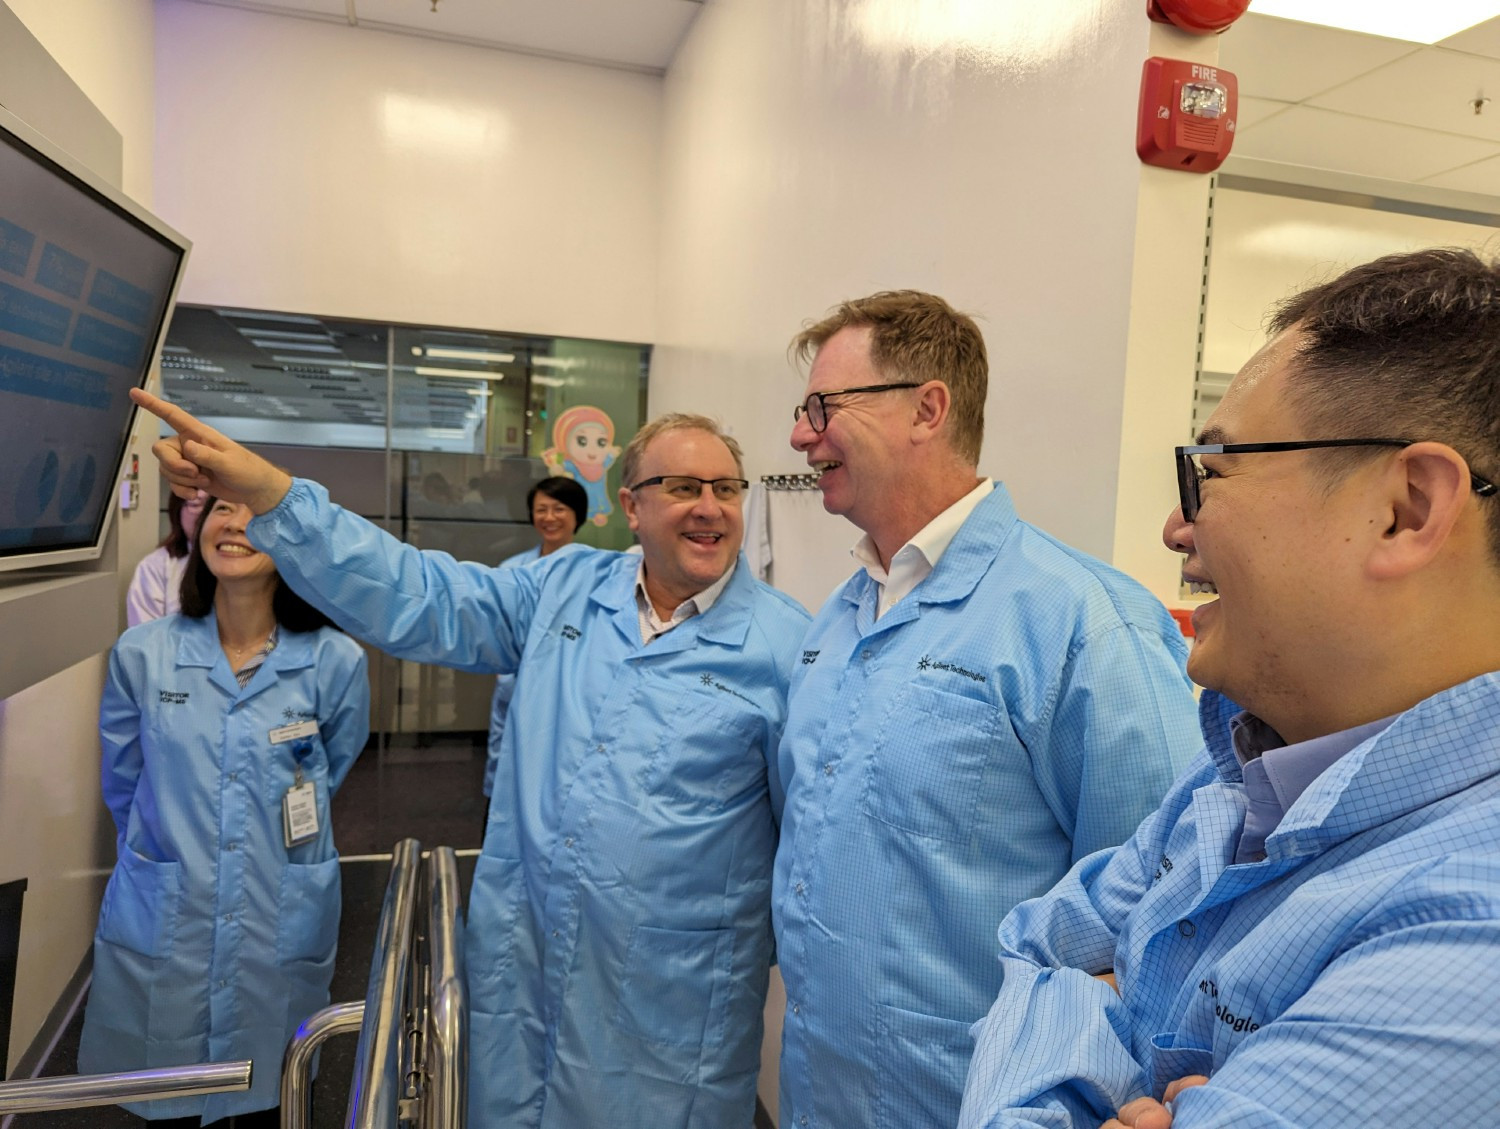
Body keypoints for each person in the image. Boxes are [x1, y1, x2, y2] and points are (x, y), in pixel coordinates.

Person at [129, 393, 812, 1129]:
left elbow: (809, 846)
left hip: (669, 1004)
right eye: (682, 487)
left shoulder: (786, 648)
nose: (709, 507)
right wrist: (275, 498)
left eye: (726, 488)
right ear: (631, 506)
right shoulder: (562, 589)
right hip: (523, 965)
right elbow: (418, 592)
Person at [957, 246, 1500, 1129]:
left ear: (1406, 508)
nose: (1178, 525)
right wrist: (1077, 993)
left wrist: (1093, 1000)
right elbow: (1041, 942)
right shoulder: (1236, 775)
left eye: (1212, 469)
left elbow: (1063, 964)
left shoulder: (1471, 933)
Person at [775, 290, 1203, 1128]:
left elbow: (1158, 917)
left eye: (823, 407)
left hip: (975, 1101)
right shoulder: (840, 614)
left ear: (926, 409)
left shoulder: (1082, 621)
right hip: (819, 1090)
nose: (800, 435)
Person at [78, 496, 370, 1126]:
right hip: (169, 905)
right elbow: (124, 780)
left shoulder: (332, 660)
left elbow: (333, 767)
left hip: (276, 902)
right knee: (168, 1094)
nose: (233, 525)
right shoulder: (143, 653)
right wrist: (164, 851)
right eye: (220, 511)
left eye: (254, 511)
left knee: (274, 1090)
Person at [484, 475, 591, 814]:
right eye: (541, 509)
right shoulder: (511, 570)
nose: (549, 517)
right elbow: (495, 635)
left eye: (558, 509)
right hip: (517, 689)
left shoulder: (598, 572)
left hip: (574, 692)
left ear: (577, 515)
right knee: (507, 785)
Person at [125, 487, 207, 626]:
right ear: (177, 509)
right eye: (196, 504)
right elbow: (146, 640)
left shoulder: (245, 563)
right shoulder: (155, 567)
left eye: (220, 507)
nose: (206, 515)